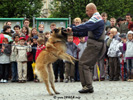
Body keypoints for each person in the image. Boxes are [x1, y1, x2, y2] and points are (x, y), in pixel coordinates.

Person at [67, 3, 105, 93]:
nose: (86, 12)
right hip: (95, 44)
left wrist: (73, 28)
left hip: (94, 44)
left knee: (83, 63)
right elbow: (86, 32)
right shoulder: (96, 18)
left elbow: (86, 26)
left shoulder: (96, 18)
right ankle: (88, 85)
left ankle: (87, 86)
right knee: (87, 65)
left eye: (87, 10)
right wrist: (72, 33)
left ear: (92, 9)